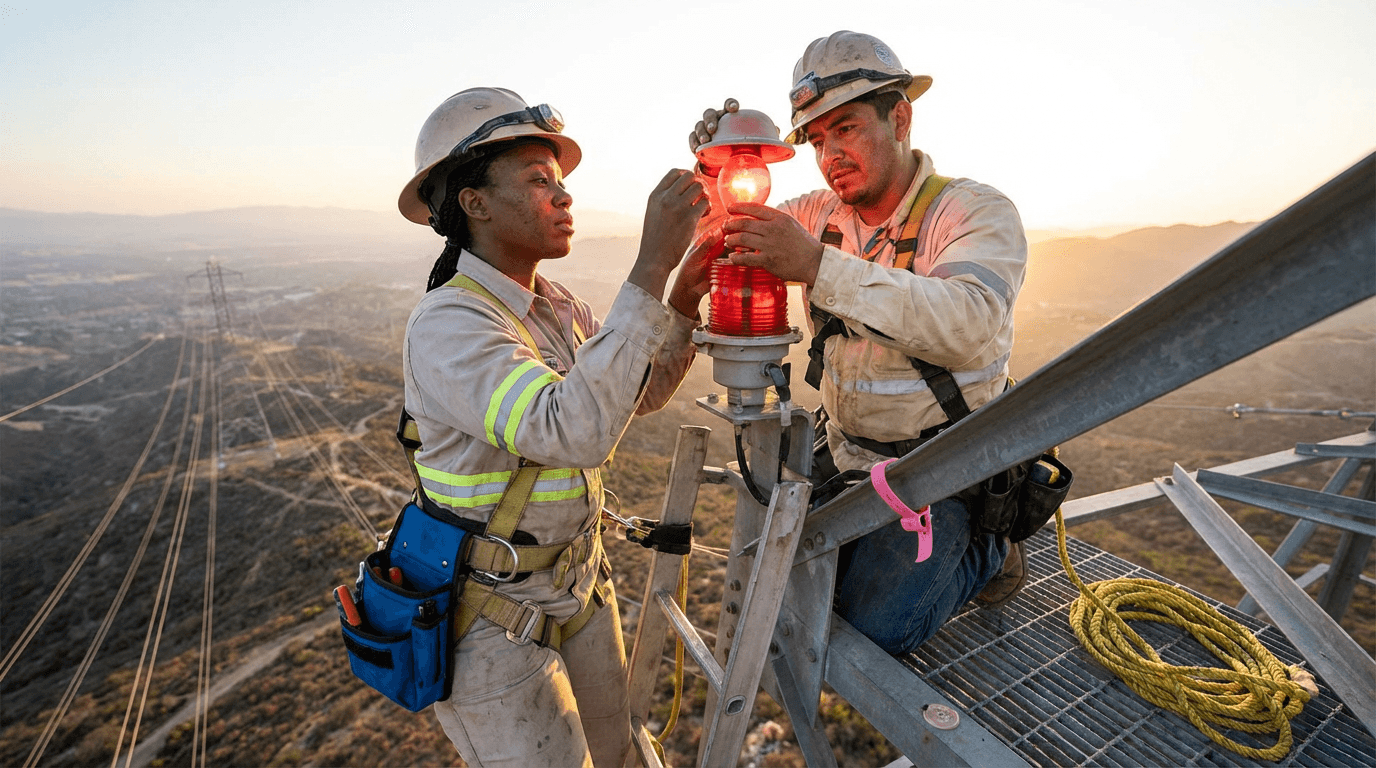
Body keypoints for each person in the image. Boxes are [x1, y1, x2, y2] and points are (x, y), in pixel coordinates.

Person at [689, 32, 1029, 655]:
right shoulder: (821, 214)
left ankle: (991, 550)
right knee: (779, 578)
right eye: (817, 140)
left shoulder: (971, 211)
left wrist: (818, 267)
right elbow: (725, 231)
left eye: (844, 129)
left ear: (899, 117)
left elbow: (970, 320)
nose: (830, 154)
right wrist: (716, 173)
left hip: (944, 465)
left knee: (877, 628)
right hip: (847, 450)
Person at [399, 87, 709, 767]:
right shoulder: (452, 323)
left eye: (562, 181)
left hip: (576, 585)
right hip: (493, 616)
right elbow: (573, 432)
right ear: (473, 203)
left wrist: (681, 301)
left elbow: (635, 394)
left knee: (619, 752)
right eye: (539, 181)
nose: (564, 197)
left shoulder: (555, 304)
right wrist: (652, 263)